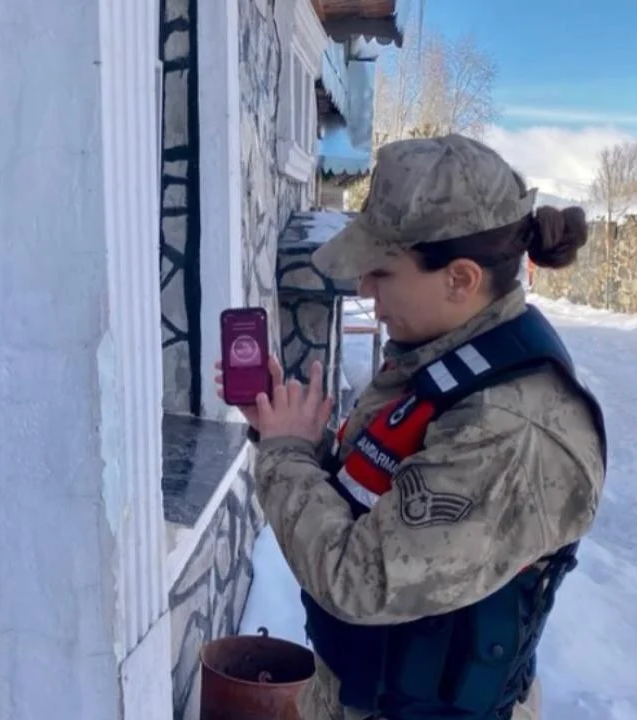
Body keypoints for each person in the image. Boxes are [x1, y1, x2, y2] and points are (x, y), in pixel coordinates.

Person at [216, 134, 608, 720]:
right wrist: (299, 439)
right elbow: (383, 502)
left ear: (460, 279)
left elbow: (359, 579)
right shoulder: (445, 356)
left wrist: (285, 455)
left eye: (381, 272)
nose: (364, 290)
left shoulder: (508, 427)